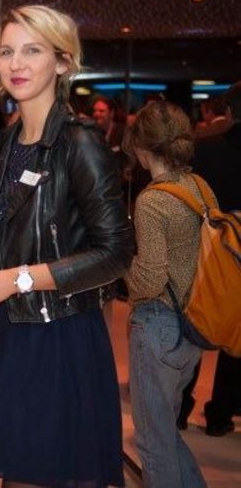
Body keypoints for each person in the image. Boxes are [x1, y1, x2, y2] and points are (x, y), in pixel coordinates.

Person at [0, 5, 132, 487]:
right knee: (19, 472)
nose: (16, 64)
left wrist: (16, 279)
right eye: (7, 52)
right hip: (10, 329)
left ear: (63, 62)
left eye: (32, 51)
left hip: (58, 332)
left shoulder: (79, 142)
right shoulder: (6, 144)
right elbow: (16, 231)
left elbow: (115, 252)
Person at [122, 100, 212, 487]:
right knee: (165, 434)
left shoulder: (152, 201)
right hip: (193, 323)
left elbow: (149, 280)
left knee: (154, 443)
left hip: (158, 326)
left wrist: (119, 262)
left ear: (142, 147)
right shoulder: (198, 186)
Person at [191, 81, 241, 437]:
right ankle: (221, 412)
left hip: (211, 250)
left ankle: (180, 407)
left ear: (229, 110)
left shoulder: (207, 149)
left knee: (196, 324)